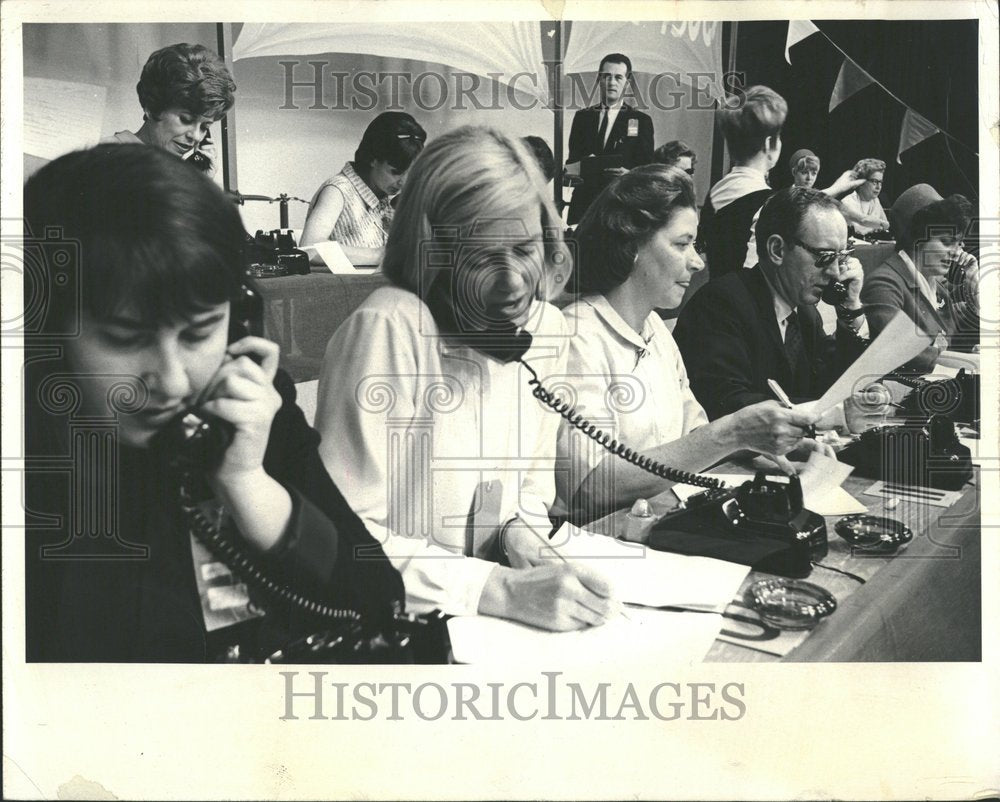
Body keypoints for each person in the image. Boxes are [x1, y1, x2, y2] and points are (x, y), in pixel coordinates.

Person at [23, 145, 403, 662]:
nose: (173, 381)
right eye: (124, 337)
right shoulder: (30, 456)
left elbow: (377, 596)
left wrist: (249, 484)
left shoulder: (248, 406)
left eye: (199, 331)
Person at [313, 126, 618, 632]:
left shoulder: (545, 329)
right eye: (481, 256)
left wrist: (521, 540)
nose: (514, 282)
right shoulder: (390, 326)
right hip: (403, 629)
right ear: (432, 253)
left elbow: (526, 496)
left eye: (524, 250)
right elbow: (342, 537)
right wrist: (493, 589)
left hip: (497, 626)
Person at [558, 165, 829, 521]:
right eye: (682, 244)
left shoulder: (653, 327)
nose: (698, 262)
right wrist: (731, 432)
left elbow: (692, 437)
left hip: (661, 521)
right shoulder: (578, 336)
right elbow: (591, 486)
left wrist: (755, 444)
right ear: (629, 244)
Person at [675, 187, 889, 432]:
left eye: (841, 257)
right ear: (777, 250)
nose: (835, 273)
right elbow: (728, 404)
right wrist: (836, 413)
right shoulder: (720, 305)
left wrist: (851, 309)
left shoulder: (805, 313)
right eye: (825, 256)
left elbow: (831, 385)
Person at [699, 87, 863, 280]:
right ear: (770, 144)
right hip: (746, 303)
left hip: (716, 291)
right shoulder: (769, 204)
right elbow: (754, 274)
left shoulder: (716, 191)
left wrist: (835, 188)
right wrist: (837, 188)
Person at [862, 184, 980, 373]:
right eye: (947, 242)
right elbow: (902, 352)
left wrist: (974, 289)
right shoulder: (884, 284)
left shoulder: (937, 288)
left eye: (958, 244)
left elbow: (959, 338)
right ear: (917, 238)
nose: (956, 252)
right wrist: (970, 362)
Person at [301, 111, 427, 267]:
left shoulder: (384, 197)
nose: (403, 182)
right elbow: (309, 248)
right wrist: (379, 255)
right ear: (373, 158)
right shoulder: (338, 190)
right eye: (396, 172)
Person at [104, 42, 236, 175]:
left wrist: (199, 180)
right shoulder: (107, 157)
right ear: (152, 107)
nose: (196, 136)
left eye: (204, 127)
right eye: (186, 119)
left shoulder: (170, 171)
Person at [564, 53, 654, 225]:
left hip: (621, 207)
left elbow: (646, 171)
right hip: (585, 207)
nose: (612, 82)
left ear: (627, 83)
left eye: (618, 77)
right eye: (606, 76)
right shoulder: (583, 117)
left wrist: (628, 176)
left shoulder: (641, 121)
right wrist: (572, 173)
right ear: (599, 79)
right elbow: (572, 161)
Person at [840, 158, 890, 235]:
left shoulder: (875, 201)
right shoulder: (847, 202)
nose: (878, 187)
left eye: (880, 182)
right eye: (874, 181)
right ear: (861, 182)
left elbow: (886, 227)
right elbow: (859, 229)